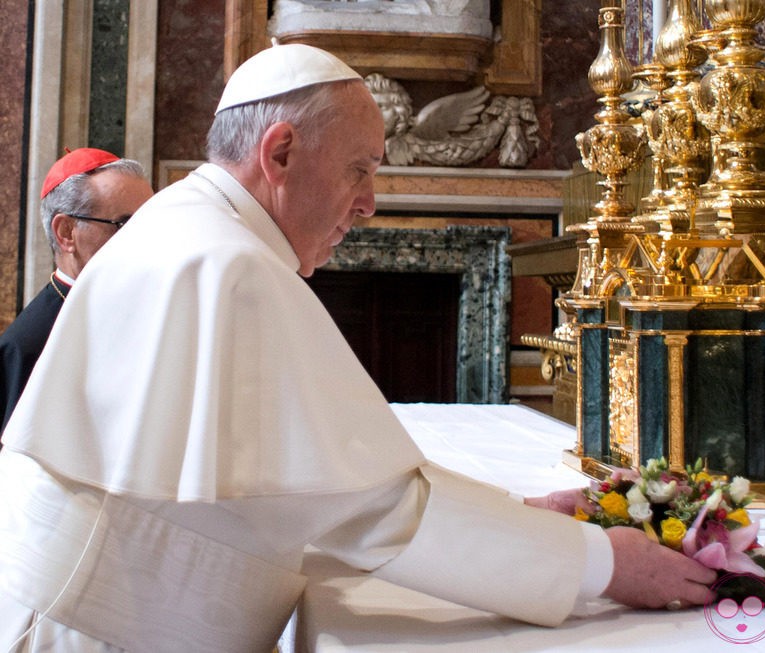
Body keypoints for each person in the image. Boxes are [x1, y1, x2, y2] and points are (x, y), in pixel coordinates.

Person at [0, 44, 715, 652]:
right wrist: (602, 564)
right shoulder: (226, 262)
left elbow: (303, 488)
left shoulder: (196, 231)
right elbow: (373, 511)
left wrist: (519, 506)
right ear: (279, 152)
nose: (371, 201)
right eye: (359, 169)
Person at [0, 148, 153, 433]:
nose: (146, 240)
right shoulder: (26, 347)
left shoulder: (150, 311)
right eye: (125, 224)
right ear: (67, 232)